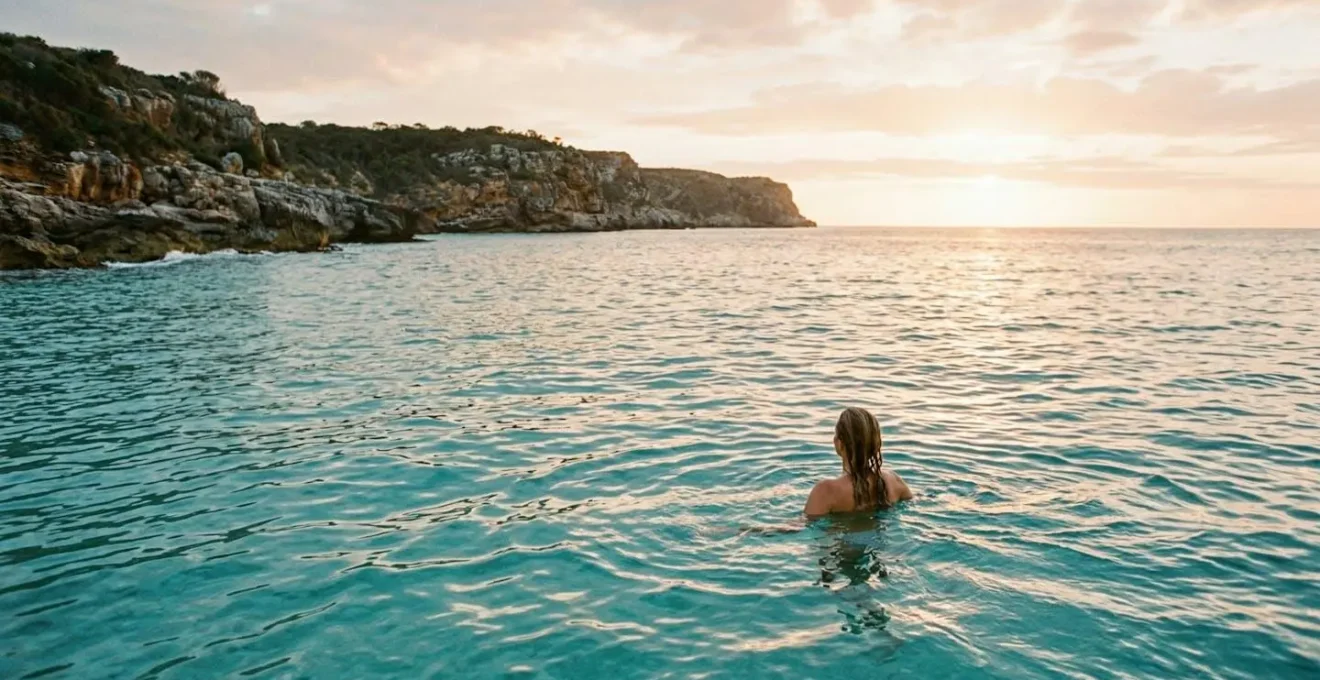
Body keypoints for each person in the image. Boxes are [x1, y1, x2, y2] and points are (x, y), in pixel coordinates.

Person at [805, 407, 912, 517]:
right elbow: (913, 501)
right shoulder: (893, 481)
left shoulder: (826, 491)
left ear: (839, 443)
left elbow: (804, 526)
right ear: (875, 445)